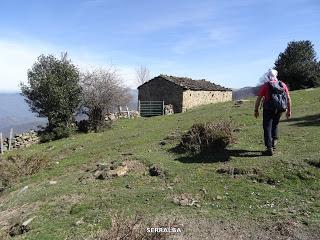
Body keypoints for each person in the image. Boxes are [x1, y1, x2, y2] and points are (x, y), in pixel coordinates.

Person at [254, 69, 292, 156]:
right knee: (275, 125)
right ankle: (274, 142)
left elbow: (259, 98)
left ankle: (269, 148)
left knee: (267, 127)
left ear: (268, 76)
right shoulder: (282, 84)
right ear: (276, 75)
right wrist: (289, 110)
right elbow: (288, 98)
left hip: (268, 109)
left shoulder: (266, 85)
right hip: (279, 109)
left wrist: (256, 110)